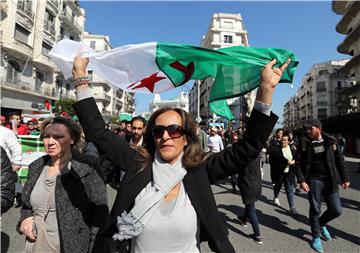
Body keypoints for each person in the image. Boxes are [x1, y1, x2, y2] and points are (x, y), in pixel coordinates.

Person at [72, 55, 290, 252]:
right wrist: (82, 80)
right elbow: (99, 133)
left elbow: (248, 147)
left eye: (174, 130)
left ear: (186, 137)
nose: (166, 136)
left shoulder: (199, 170)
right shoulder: (137, 163)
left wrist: (266, 91)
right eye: (159, 131)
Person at [17, 117, 108, 253]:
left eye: (58, 137)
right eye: (46, 137)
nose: (50, 142)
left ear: (72, 139)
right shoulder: (36, 166)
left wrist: (94, 248)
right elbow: (26, 204)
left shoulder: (86, 167)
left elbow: (100, 213)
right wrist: (25, 218)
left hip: (73, 247)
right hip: (36, 246)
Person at [296, 119, 350, 253]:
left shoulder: (331, 141)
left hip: (330, 180)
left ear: (319, 128)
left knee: (336, 210)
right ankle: (315, 236)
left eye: (310, 128)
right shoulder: (304, 142)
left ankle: (321, 224)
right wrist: (302, 180)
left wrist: (345, 178)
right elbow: (297, 163)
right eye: (306, 129)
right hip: (314, 180)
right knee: (315, 209)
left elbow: (340, 160)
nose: (308, 131)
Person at [237, 156, 263, 244]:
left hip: (248, 184)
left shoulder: (244, 157)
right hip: (256, 183)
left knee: (251, 210)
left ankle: (257, 236)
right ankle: (244, 219)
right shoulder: (256, 155)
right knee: (249, 205)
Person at [272, 133, 299, 215]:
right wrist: (286, 162)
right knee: (277, 186)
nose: (283, 141)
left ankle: (292, 207)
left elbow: (297, 158)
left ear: (288, 141)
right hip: (280, 172)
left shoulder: (292, 148)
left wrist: (294, 161)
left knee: (290, 190)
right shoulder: (277, 149)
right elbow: (276, 160)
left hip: (289, 173)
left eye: (285, 140)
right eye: (282, 140)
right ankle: (276, 196)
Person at [1, 146, 18, 215]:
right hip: (5, 165)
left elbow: (16, 148)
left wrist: (17, 162)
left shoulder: (7, 134)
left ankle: (19, 197)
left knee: (17, 181)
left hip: (9, 165)